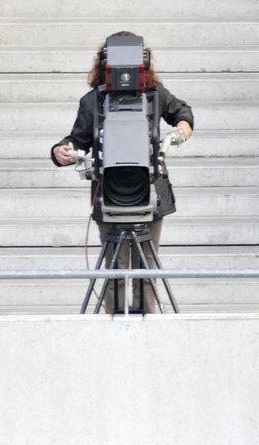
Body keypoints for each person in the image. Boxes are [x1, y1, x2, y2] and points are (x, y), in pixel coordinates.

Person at [50, 32, 193, 313]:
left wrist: (184, 126)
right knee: (115, 266)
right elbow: (76, 141)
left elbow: (182, 111)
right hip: (109, 193)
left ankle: (149, 320)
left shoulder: (156, 95)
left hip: (150, 192)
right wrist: (60, 151)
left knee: (147, 268)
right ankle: (113, 320)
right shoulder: (92, 101)